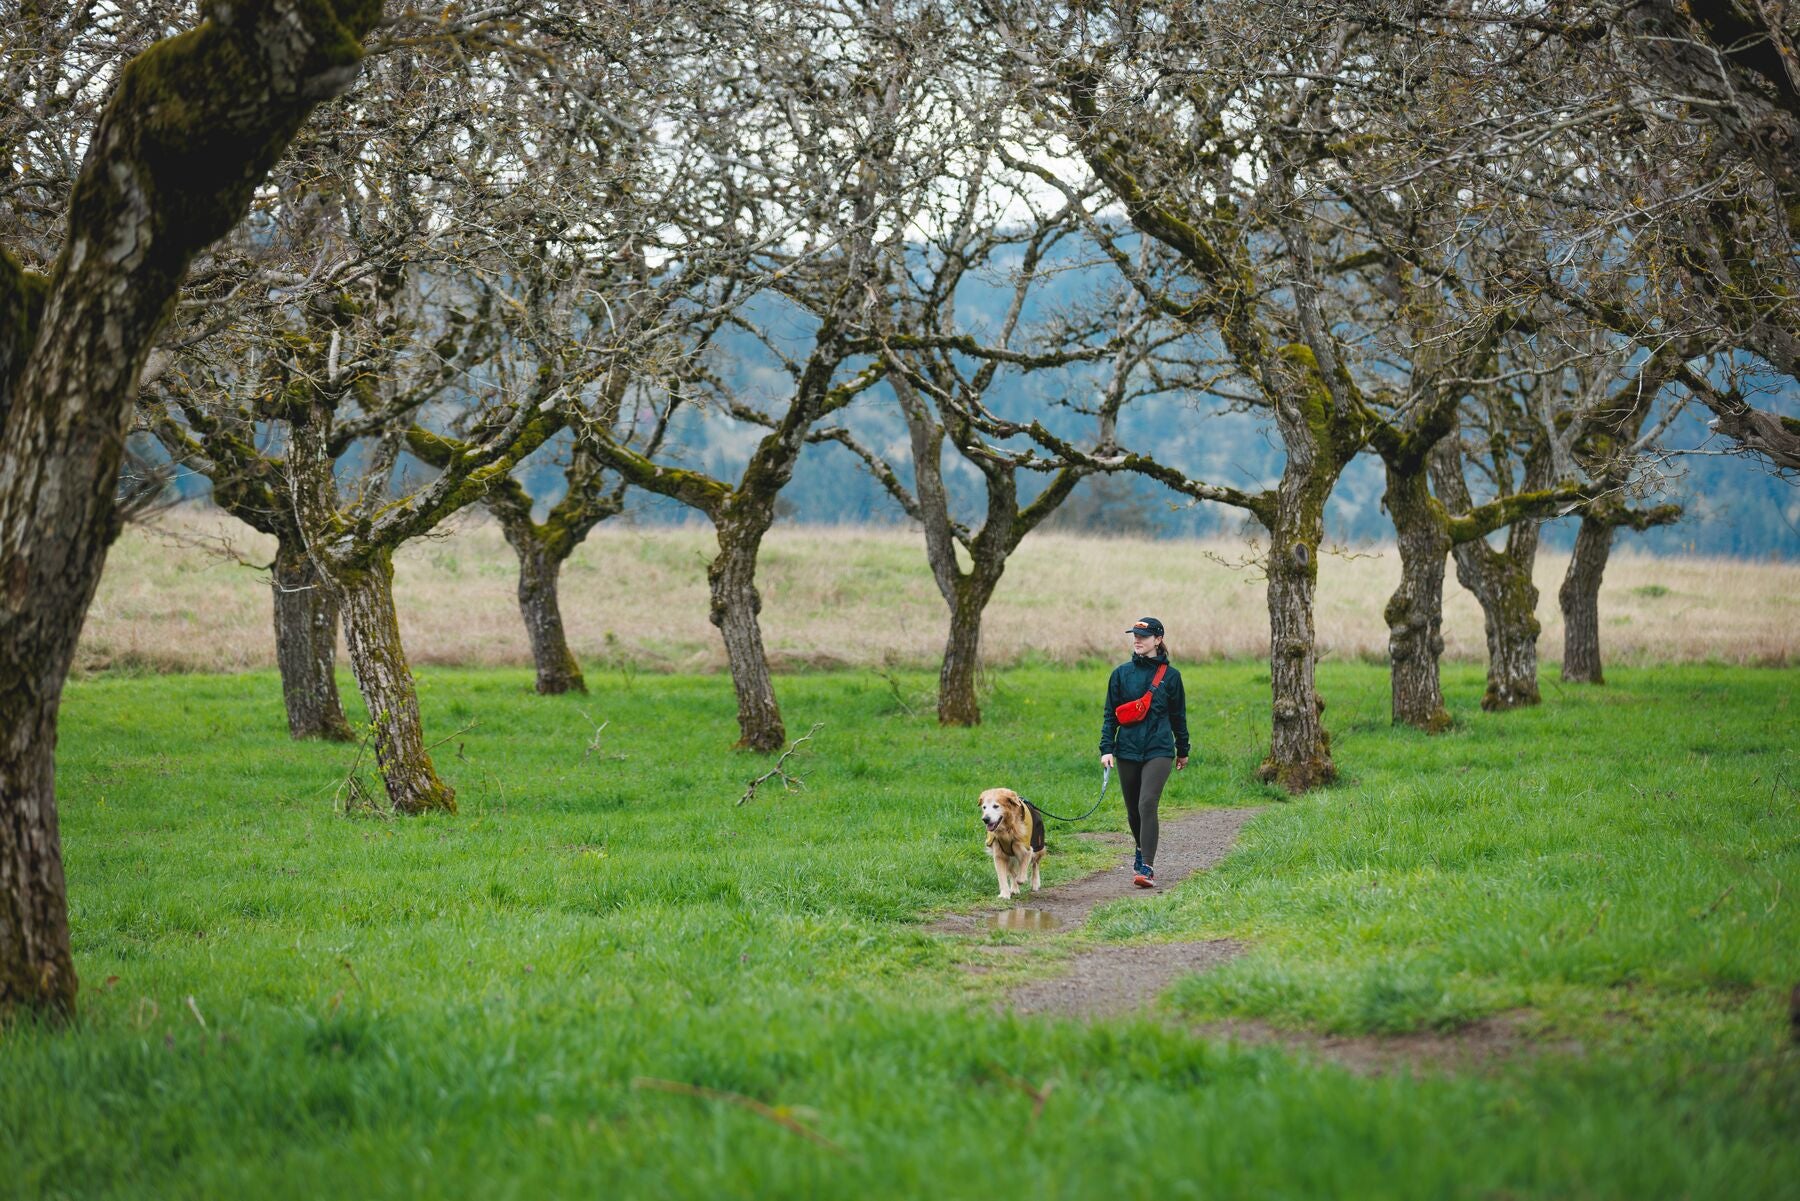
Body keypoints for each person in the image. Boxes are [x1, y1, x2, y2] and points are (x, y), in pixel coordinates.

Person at [1099, 617, 1189, 888]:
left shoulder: (1171, 677)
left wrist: (1182, 749)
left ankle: (1147, 867)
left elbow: (1178, 717)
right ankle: (1140, 848)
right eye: (1135, 635)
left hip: (1159, 749)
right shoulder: (1120, 674)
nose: (1137, 640)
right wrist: (1107, 748)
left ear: (1158, 640)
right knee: (1133, 811)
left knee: (1147, 804)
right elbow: (1109, 716)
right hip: (1126, 749)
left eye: (1144, 636)